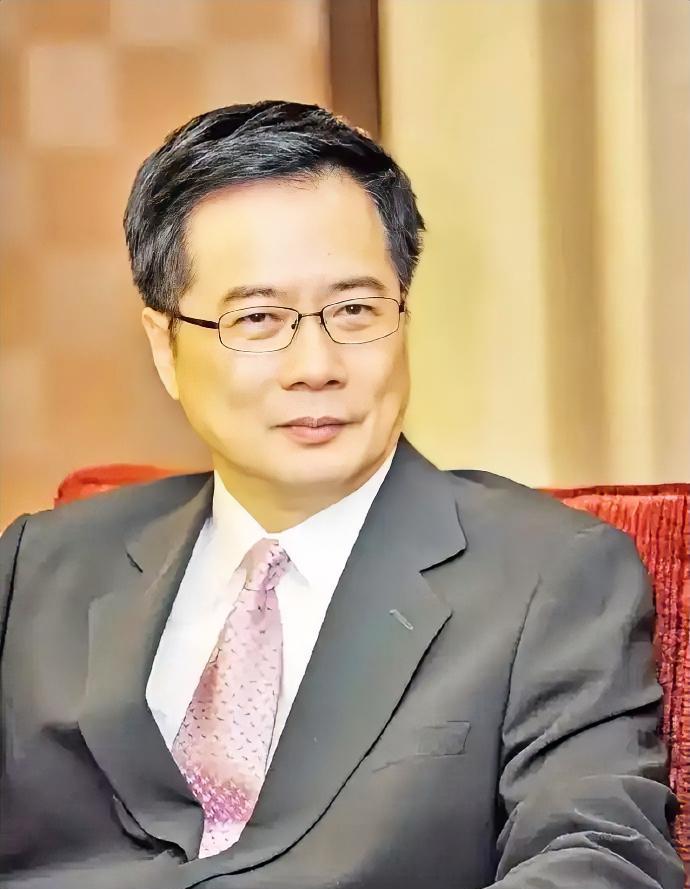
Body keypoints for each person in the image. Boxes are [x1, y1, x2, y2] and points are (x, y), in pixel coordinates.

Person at [0, 100, 684, 889]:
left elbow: (603, 856)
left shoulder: (551, 576)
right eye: (259, 318)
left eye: (355, 310)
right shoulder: (37, 565)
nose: (316, 365)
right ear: (165, 345)